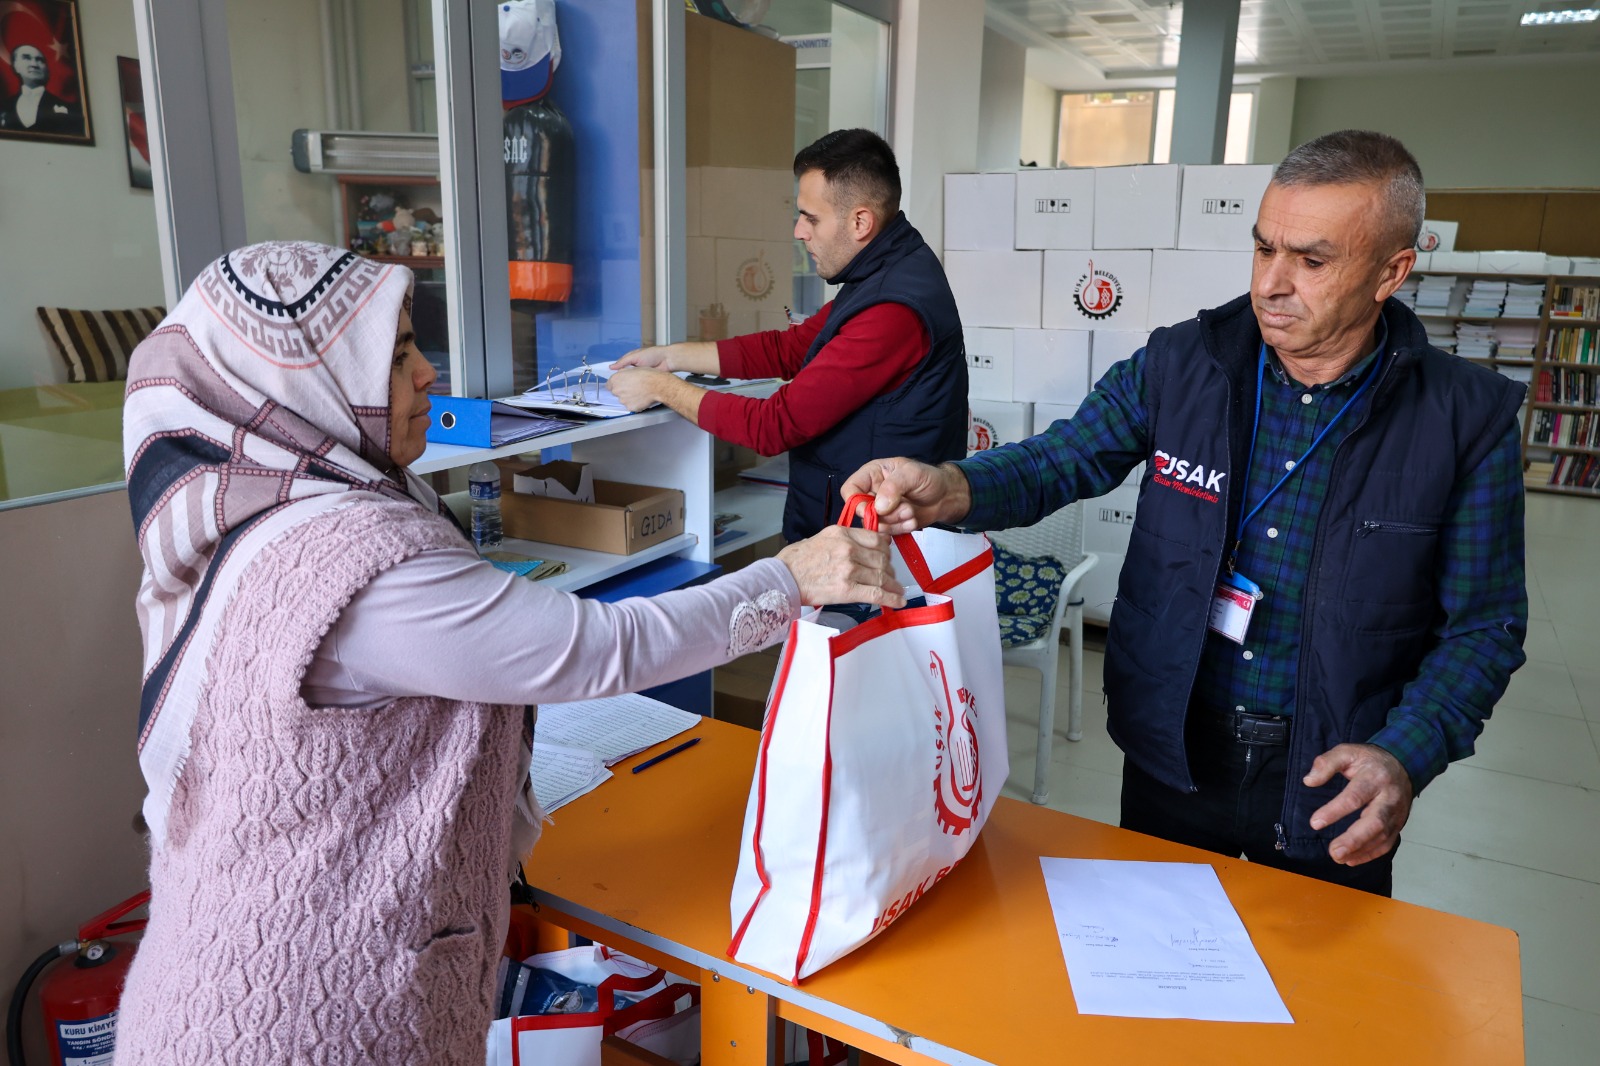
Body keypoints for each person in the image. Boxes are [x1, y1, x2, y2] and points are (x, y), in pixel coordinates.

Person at [112, 240, 903, 1063]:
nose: (428, 374)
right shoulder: (357, 565)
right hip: (300, 1020)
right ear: (302, 386)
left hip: (237, 974)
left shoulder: (261, 511)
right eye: (396, 356)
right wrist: (789, 578)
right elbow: (597, 647)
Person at [843, 130, 1527, 897]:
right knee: (1155, 948)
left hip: (1335, 773)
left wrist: (1404, 753)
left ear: (1389, 273)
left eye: (1311, 261)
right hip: (1174, 750)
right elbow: (1063, 458)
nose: (1271, 284)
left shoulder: (1465, 420)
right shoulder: (1181, 364)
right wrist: (950, 486)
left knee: (1312, 969)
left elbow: (1484, 627)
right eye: (1263, 249)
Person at [606, 128, 967, 543]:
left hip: (873, 547)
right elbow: (792, 348)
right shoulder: (884, 273)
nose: (799, 231)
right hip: (848, 528)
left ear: (860, 222)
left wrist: (662, 388)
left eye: (811, 218)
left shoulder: (893, 309)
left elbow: (775, 426)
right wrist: (671, 357)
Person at [0, 44, 82, 134]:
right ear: (15, 65)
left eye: (40, 60)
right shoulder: (3, 107)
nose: (34, 64)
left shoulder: (70, 109)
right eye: (26, 58)